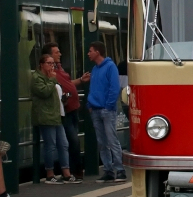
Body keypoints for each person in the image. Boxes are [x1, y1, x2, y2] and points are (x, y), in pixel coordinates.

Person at [42, 43, 89, 180]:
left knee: (73, 140)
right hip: (66, 111)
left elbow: (67, 84)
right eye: (56, 52)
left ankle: (74, 171)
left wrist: (80, 80)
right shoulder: (50, 73)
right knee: (72, 141)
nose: (60, 54)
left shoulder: (59, 69)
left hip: (73, 109)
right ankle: (75, 171)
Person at [31, 53, 78, 184]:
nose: (52, 66)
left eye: (53, 63)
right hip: (46, 116)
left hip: (57, 115)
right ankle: (49, 173)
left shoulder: (52, 77)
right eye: (49, 63)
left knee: (63, 144)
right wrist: (52, 80)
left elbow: (56, 91)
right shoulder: (37, 77)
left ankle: (66, 173)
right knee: (50, 145)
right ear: (41, 64)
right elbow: (44, 92)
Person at [83, 40, 124, 183]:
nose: (88, 53)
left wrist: (108, 105)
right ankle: (108, 170)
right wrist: (90, 104)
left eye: (90, 50)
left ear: (97, 52)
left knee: (112, 140)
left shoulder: (110, 67)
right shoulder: (95, 69)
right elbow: (93, 88)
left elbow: (114, 88)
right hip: (96, 109)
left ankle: (120, 170)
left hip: (106, 110)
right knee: (102, 142)